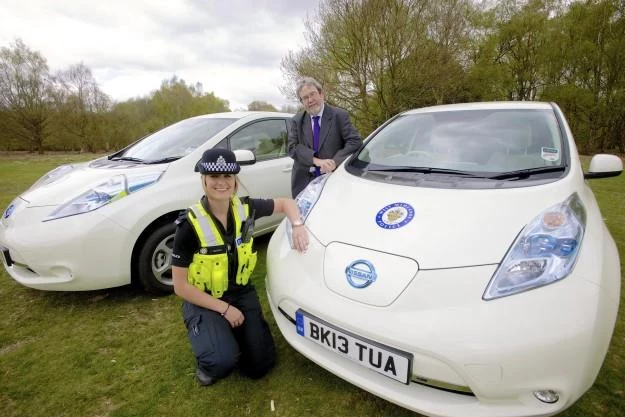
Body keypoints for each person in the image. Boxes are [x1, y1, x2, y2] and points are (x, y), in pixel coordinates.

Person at [172, 148, 309, 386]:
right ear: (203, 180)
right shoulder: (189, 225)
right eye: (214, 177)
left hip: (241, 292)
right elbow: (181, 287)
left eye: (228, 176)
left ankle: (229, 335)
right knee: (221, 362)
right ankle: (210, 356)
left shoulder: (247, 208)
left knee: (260, 365)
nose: (222, 183)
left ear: (235, 180)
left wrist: (297, 224)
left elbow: (287, 203)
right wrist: (224, 309)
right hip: (204, 298)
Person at [287, 77, 363, 197]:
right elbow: (292, 148)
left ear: (321, 94)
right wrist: (317, 161)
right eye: (305, 98)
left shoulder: (339, 115)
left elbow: (355, 141)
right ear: (302, 102)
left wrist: (334, 161)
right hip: (304, 185)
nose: (310, 100)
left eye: (313, 94)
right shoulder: (297, 121)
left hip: (333, 180)